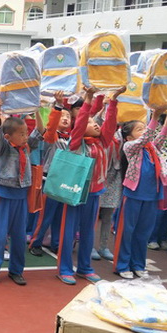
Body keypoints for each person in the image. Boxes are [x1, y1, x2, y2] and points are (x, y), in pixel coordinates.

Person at [56, 85, 124, 285]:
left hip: (94, 193)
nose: (95, 125)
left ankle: (85, 268)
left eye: (96, 122)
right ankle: (65, 268)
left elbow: (110, 124)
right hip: (75, 192)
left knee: (88, 232)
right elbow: (81, 122)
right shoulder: (76, 143)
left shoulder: (102, 142)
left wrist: (113, 100)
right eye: (90, 122)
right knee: (69, 231)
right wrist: (88, 99)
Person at [0, 97, 43, 286]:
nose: (26, 136)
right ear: (9, 137)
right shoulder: (3, 148)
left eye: (26, 133)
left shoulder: (26, 147)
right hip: (3, 195)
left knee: (18, 238)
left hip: (21, 196)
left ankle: (16, 270)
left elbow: (40, 132)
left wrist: (37, 110)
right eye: (22, 134)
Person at [113, 103, 167, 279]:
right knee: (127, 231)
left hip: (152, 195)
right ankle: (122, 264)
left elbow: (163, 133)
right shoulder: (130, 147)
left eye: (144, 128)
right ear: (128, 137)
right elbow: (145, 138)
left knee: (143, 233)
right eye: (139, 129)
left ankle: (138, 264)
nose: (144, 132)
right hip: (133, 194)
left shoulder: (152, 148)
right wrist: (154, 116)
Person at [28, 90, 72, 257]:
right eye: (62, 116)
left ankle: (56, 243)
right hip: (50, 180)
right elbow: (51, 125)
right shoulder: (51, 136)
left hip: (64, 181)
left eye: (68, 116)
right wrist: (58, 107)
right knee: (45, 215)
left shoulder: (72, 138)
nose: (66, 118)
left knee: (60, 216)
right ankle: (36, 242)